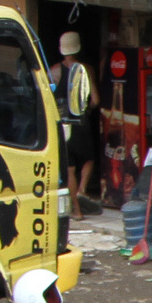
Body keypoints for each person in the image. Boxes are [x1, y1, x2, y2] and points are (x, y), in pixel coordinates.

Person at [49, 30, 103, 214]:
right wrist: (86, 110)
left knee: (69, 169)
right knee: (88, 160)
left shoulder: (53, 71)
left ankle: (77, 212)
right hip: (81, 123)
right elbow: (95, 100)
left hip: (63, 126)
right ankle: (82, 189)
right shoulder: (86, 69)